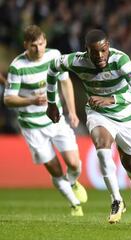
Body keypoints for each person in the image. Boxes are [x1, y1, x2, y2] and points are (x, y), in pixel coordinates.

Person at [46, 29, 131, 225]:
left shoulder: (120, 60)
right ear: (86, 50)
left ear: (108, 47)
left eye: (103, 50)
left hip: (126, 116)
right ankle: (116, 200)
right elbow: (52, 68)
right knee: (102, 148)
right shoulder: (76, 60)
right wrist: (51, 102)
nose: (99, 56)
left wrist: (112, 99)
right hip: (98, 114)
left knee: (130, 164)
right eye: (94, 52)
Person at [3, 25, 87, 216]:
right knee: (55, 169)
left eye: (41, 44)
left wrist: (72, 112)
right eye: (34, 46)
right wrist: (32, 100)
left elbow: (65, 81)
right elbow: (8, 99)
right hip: (33, 127)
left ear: (46, 42)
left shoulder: (54, 56)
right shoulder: (18, 67)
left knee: (74, 163)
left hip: (56, 120)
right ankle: (74, 204)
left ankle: (73, 181)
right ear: (26, 45)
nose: (38, 49)